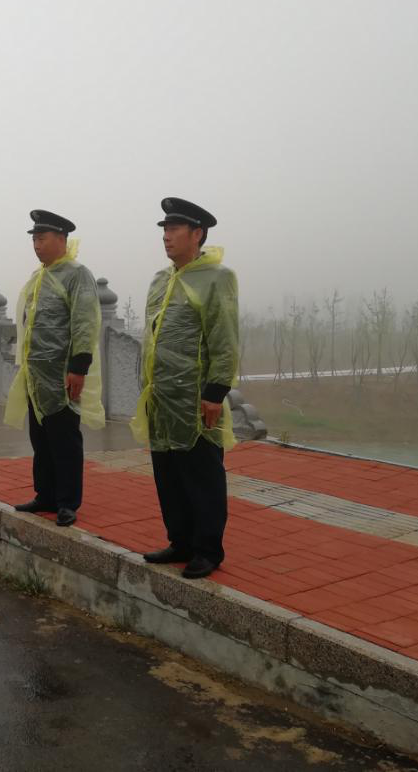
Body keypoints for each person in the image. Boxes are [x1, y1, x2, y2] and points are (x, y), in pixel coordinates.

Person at [136, 198, 239, 580]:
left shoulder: (216, 278)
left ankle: (207, 549)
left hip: (195, 398)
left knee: (202, 475)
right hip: (161, 397)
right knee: (168, 474)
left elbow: (224, 339)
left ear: (197, 233)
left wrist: (215, 392)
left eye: (174, 229)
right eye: (164, 229)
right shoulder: (160, 280)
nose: (166, 236)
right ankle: (179, 540)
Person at [4, 210, 104, 528]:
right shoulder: (40, 276)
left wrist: (78, 367)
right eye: (34, 239)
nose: (36, 244)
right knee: (41, 439)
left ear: (61, 239)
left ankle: (67, 502)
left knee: (65, 440)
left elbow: (84, 321)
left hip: (62, 375)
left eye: (42, 238)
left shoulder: (77, 275)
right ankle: (45, 494)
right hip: (36, 376)